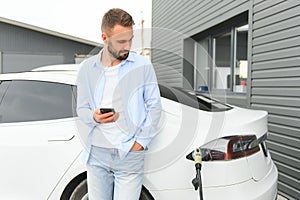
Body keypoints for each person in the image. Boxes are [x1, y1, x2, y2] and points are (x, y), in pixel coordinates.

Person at [76, 8, 162, 200]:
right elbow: (81, 109)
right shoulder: (87, 69)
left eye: (130, 39)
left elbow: (155, 107)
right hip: (96, 154)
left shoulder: (142, 66)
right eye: (121, 41)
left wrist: (140, 143)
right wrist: (94, 116)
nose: (127, 46)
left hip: (129, 154)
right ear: (105, 37)